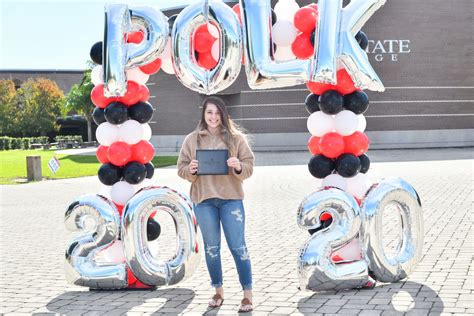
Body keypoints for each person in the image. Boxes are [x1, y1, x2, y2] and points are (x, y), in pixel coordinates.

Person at [177, 96, 255, 313]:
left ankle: (247, 295)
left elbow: (249, 166)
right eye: (209, 112)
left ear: (223, 115)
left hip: (231, 200)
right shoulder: (192, 140)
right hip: (203, 202)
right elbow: (181, 168)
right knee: (212, 249)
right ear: (204, 114)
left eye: (217, 113)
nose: (213, 117)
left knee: (239, 248)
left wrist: (239, 165)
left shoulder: (236, 139)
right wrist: (190, 170)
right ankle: (218, 291)